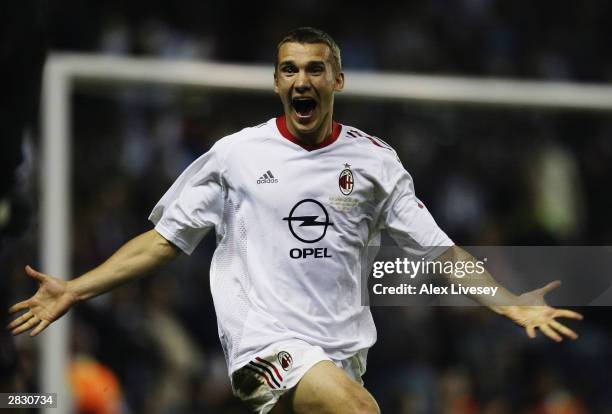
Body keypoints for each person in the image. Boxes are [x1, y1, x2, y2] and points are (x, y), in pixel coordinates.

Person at [7, 27, 583, 414]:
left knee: (347, 395)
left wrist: (513, 304)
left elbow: (441, 254)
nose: (301, 80)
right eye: (289, 70)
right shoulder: (237, 154)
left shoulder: (375, 162)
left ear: (337, 80)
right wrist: (75, 289)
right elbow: (163, 241)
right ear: (278, 82)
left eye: (314, 69)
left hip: (345, 352)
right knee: (361, 411)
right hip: (266, 345)